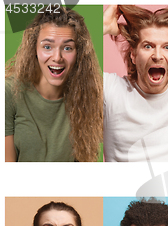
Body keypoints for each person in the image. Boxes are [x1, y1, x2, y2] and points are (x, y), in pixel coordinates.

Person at [103, 5, 168, 162]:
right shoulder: (110, 91)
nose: (157, 56)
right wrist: (103, 25)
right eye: (148, 46)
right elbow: (68, 66)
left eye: (167, 47)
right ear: (133, 55)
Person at [5, 6, 103, 162]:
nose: (57, 57)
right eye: (47, 47)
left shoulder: (87, 96)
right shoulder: (9, 92)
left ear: (79, 53)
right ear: (34, 49)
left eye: (67, 48)